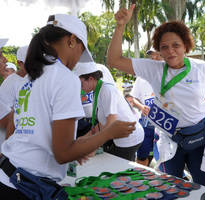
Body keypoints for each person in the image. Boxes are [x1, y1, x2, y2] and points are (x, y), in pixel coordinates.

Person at [0, 14, 136, 199]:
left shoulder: (30, 78)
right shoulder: (64, 78)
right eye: (81, 50)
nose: (79, 59)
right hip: (26, 186)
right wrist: (109, 133)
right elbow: (63, 153)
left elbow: (32, 131)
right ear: (72, 40)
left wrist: (78, 146)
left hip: (8, 173)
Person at [107, 5, 205, 188]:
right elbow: (114, 60)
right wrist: (120, 26)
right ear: (159, 50)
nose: (170, 51)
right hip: (168, 141)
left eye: (176, 45)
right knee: (170, 187)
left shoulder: (201, 68)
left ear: (185, 45)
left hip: (199, 138)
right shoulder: (154, 69)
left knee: (204, 187)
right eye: (164, 47)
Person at [73, 62, 144, 161]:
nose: (80, 88)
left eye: (81, 84)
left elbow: (111, 124)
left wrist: (92, 146)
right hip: (122, 136)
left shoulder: (106, 90)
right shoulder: (97, 91)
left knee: (118, 171)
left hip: (130, 138)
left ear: (91, 79)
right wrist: (84, 138)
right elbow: (103, 123)